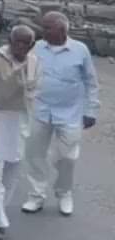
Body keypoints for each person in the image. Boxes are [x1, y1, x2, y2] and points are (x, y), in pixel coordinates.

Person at [21, 11, 99, 217]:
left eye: (47, 27)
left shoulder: (80, 50)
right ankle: (36, 195)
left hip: (70, 113)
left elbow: (91, 82)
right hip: (40, 110)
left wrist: (91, 110)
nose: (43, 31)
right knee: (34, 154)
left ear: (62, 30)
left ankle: (64, 193)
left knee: (67, 157)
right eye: (43, 27)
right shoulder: (37, 48)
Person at [0, 25, 38, 240]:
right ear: (10, 40)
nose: (21, 46)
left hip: (19, 122)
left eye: (27, 43)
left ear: (32, 45)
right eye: (18, 42)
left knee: (12, 169)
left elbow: (34, 91)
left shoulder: (34, 62)